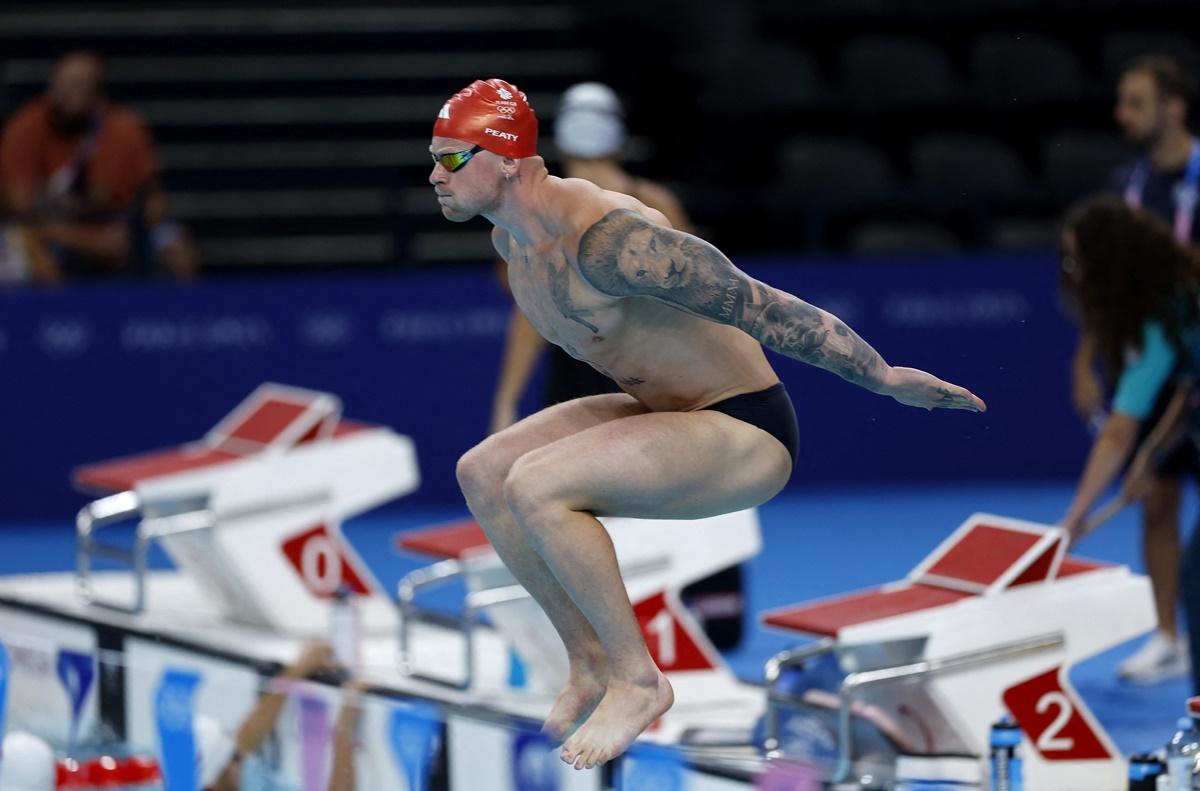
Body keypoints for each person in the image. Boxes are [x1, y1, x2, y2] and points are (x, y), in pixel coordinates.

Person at [431, 78, 985, 769]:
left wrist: (881, 376)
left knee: (539, 486)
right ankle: (590, 660)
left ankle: (639, 679)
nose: (434, 177)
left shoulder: (606, 239)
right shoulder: (518, 250)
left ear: (508, 158)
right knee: (482, 471)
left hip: (743, 425)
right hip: (664, 408)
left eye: (451, 159)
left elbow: (759, 304)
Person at [1069, 54, 1199, 682]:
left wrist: (1072, 521)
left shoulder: (1166, 311)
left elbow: (1120, 430)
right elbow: (1182, 395)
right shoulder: (1165, 307)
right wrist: (1155, 453)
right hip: (1187, 384)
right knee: (1165, 508)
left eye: (1137, 101)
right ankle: (1171, 637)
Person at [490, 82, 693, 434]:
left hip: (579, 380)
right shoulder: (659, 204)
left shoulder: (536, 212)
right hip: (654, 374)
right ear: (617, 136)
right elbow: (699, 298)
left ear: (562, 140)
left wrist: (506, 402)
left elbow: (528, 312)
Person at [0, 50, 197, 280]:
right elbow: (21, 207)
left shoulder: (126, 131)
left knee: (176, 248)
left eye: (76, 86)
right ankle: (55, 314)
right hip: (49, 228)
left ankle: (174, 315)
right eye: (59, 84)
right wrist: (78, 237)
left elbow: (154, 200)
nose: (62, 94)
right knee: (24, 251)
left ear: (97, 97)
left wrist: (133, 230)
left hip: (112, 225)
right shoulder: (25, 127)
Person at [199, 642, 362, 791]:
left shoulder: (225, 779)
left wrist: (298, 669)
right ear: (212, 783)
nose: (243, 759)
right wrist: (345, 726)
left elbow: (248, 735)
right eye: (235, 757)